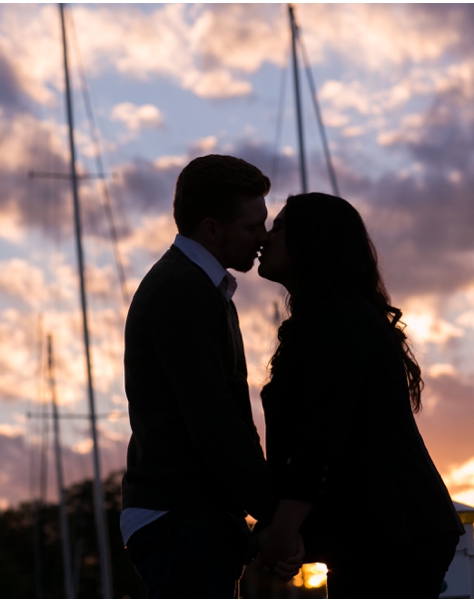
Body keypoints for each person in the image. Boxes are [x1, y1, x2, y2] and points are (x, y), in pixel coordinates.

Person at [254, 192, 464, 598]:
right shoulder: (328, 321)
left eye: (278, 228)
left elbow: (321, 439)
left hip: (396, 533)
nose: (265, 238)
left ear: (310, 241)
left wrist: (282, 530)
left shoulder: (341, 323)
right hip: (377, 532)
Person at [121, 154, 288, 598]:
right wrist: (277, 514)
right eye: (253, 227)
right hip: (179, 514)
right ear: (212, 229)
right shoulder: (183, 291)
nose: (263, 237)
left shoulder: (200, 289)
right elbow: (213, 419)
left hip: (187, 514)